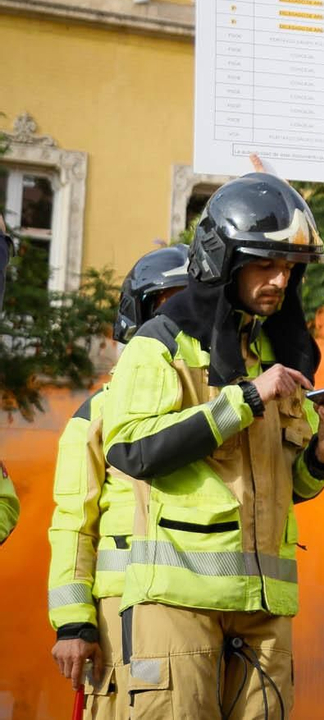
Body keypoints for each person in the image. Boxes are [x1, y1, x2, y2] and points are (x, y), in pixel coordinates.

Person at [101, 172, 324, 718]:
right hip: (178, 605)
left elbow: (286, 490)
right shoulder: (158, 345)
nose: (279, 280)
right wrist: (243, 399)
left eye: (289, 269)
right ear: (223, 262)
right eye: (264, 264)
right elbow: (131, 451)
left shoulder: (275, 353)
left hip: (264, 609)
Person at [47, 245, 188, 717]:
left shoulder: (221, 403)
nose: (183, 317)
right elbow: (73, 523)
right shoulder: (98, 413)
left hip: (195, 612)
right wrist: (72, 626)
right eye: (171, 303)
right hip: (119, 611)